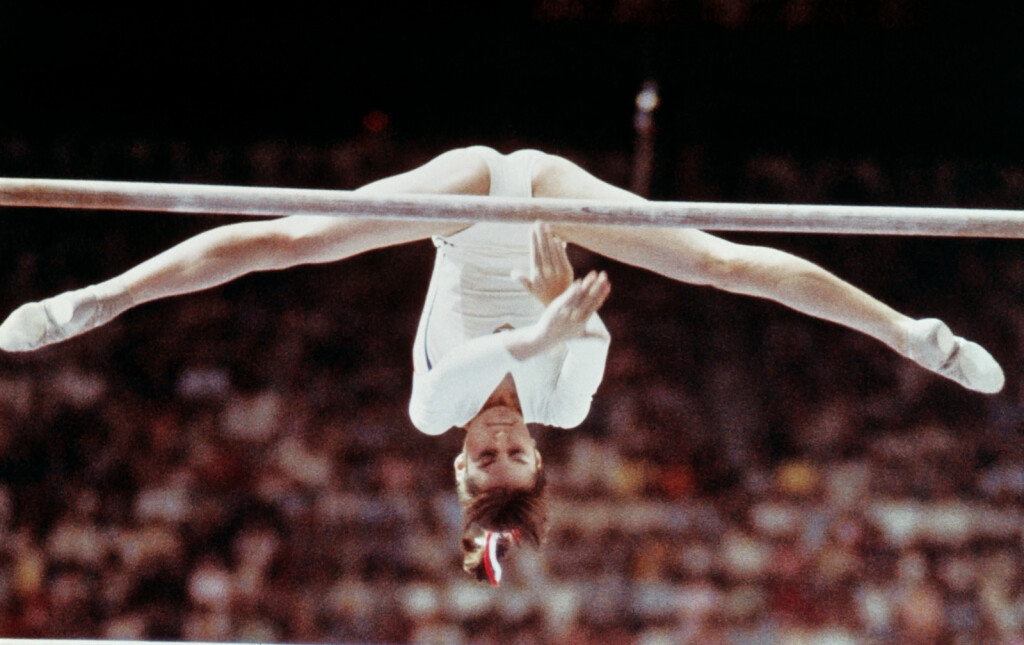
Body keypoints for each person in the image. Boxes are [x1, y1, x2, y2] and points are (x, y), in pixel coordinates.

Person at [0, 146, 1005, 583]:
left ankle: (96, 301)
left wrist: (542, 324)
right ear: (537, 458)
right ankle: (911, 332)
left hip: (467, 198)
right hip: (546, 207)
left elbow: (502, 350)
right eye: (515, 457)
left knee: (291, 240)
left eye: (484, 463)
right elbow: (581, 338)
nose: (496, 442)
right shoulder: (562, 406)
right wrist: (557, 315)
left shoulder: (432, 412)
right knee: (717, 263)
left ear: (459, 467)